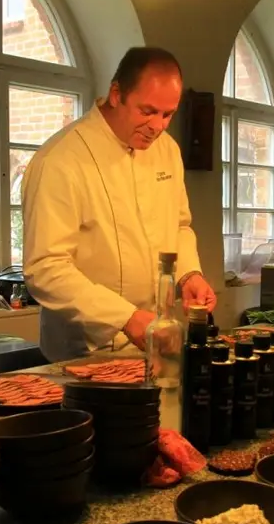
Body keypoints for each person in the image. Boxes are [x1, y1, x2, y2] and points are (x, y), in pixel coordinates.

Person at [22, 47, 217, 363]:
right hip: (83, 350)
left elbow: (178, 226)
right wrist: (124, 316)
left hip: (154, 341)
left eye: (168, 114)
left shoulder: (167, 150)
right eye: (147, 111)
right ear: (116, 94)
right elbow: (45, 268)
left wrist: (189, 275)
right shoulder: (60, 160)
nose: (158, 126)